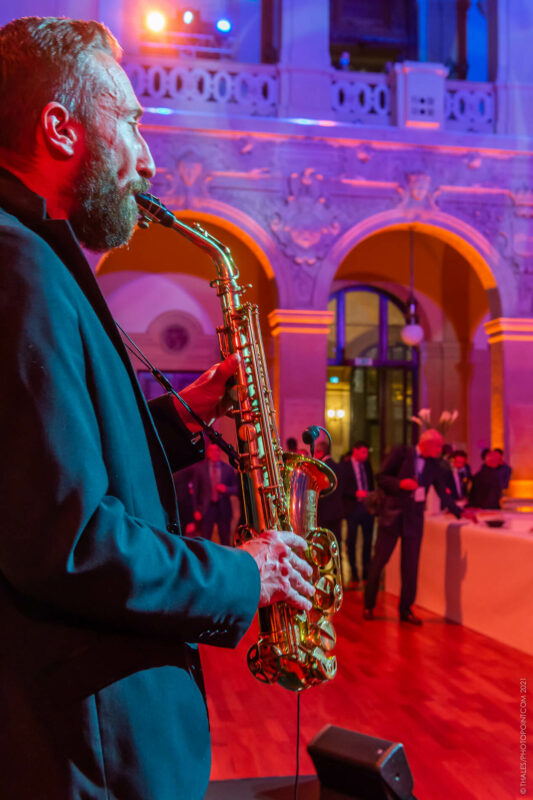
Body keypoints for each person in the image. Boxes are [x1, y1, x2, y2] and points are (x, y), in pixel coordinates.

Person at [0, 17, 315, 800]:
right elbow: (70, 542)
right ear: (59, 128)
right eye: (133, 123)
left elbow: (51, 469)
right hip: (91, 750)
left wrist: (183, 415)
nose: (146, 159)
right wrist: (245, 573)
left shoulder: (28, 258)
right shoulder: (20, 268)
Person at [363, 430, 476, 625]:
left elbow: (443, 493)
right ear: (426, 443)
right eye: (438, 446)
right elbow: (381, 477)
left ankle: (406, 609)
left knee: (411, 567)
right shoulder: (401, 453)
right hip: (391, 517)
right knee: (379, 561)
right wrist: (400, 483)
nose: (440, 450)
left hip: (414, 519)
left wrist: (459, 512)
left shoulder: (435, 465)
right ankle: (369, 604)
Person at [341, 441, 375, 586]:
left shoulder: (367, 465)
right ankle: (354, 571)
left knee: (368, 541)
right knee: (352, 541)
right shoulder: (345, 466)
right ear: (355, 451)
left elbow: (371, 483)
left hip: (367, 507)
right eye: (363, 452)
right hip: (353, 508)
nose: (365, 455)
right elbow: (342, 487)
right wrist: (355, 493)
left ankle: (366, 570)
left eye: (366, 452)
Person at [192, 443, 240, 546]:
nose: (214, 453)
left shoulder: (228, 469)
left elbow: (237, 489)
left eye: (217, 450)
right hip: (206, 509)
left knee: (225, 539)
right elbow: (194, 492)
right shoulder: (200, 469)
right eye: (212, 451)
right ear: (208, 453)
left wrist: (226, 489)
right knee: (205, 539)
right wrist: (196, 510)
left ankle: (225, 555)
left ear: (220, 452)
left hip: (223, 508)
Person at [315, 439, 344, 550]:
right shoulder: (338, 466)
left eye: (316, 452)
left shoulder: (322, 468)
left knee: (324, 544)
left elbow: (321, 489)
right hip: (337, 512)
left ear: (320, 452)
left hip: (324, 512)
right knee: (336, 542)